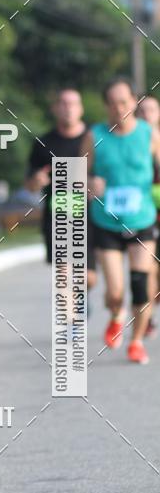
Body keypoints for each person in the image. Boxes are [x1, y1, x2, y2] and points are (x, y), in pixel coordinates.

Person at [82, 78, 160, 364]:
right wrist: (89, 182)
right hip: (107, 223)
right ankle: (116, 314)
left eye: (124, 102)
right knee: (115, 292)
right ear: (106, 106)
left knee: (140, 283)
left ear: (134, 103)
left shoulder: (149, 135)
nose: (119, 108)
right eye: (113, 104)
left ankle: (137, 341)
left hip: (142, 220)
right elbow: (76, 175)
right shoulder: (95, 135)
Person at [25, 88, 97, 299]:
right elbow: (29, 182)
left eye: (73, 103)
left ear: (81, 109)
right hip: (58, 217)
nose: (68, 108)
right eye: (63, 103)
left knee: (88, 278)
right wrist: (36, 181)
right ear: (55, 108)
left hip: (89, 216)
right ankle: (72, 323)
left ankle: (81, 296)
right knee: (64, 278)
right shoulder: (43, 143)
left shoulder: (94, 138)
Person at [136, 94, 160, 336]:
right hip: (146, 215)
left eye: (151, 110)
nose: (146, 115)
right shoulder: (132, 143)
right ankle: (148, 315)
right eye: (141, 111)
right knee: (149, 267)